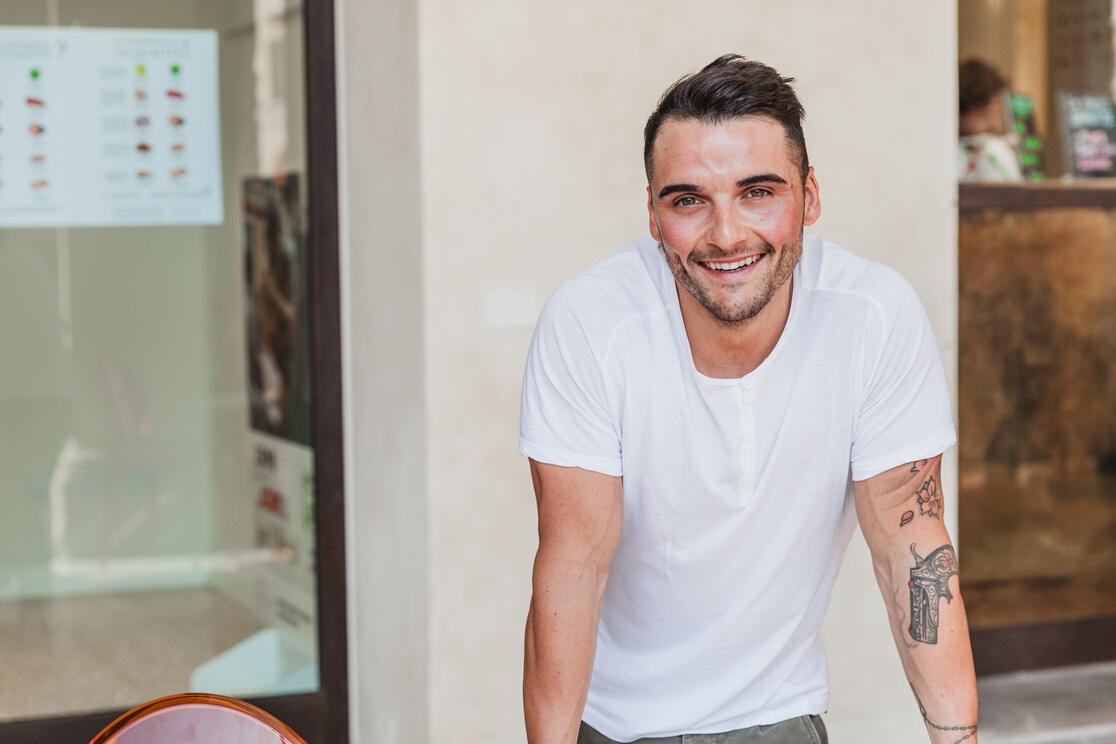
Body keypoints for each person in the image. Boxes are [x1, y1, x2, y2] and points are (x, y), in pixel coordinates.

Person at [519, 55, 979, 744]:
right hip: (617, 726)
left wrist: (959, 739)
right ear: (653, 214)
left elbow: (910, 546)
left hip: (779, 718)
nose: (727, 234)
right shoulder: (591, 324)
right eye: (688, 200)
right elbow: (573, 566)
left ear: (810, 197)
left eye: (758, 191)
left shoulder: (873, 317)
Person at [958, 58, 1022, 182]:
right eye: (984, 115)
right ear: (959, 115)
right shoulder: (945, 162)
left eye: (995, 115)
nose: (994, 125)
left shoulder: (993, 152)